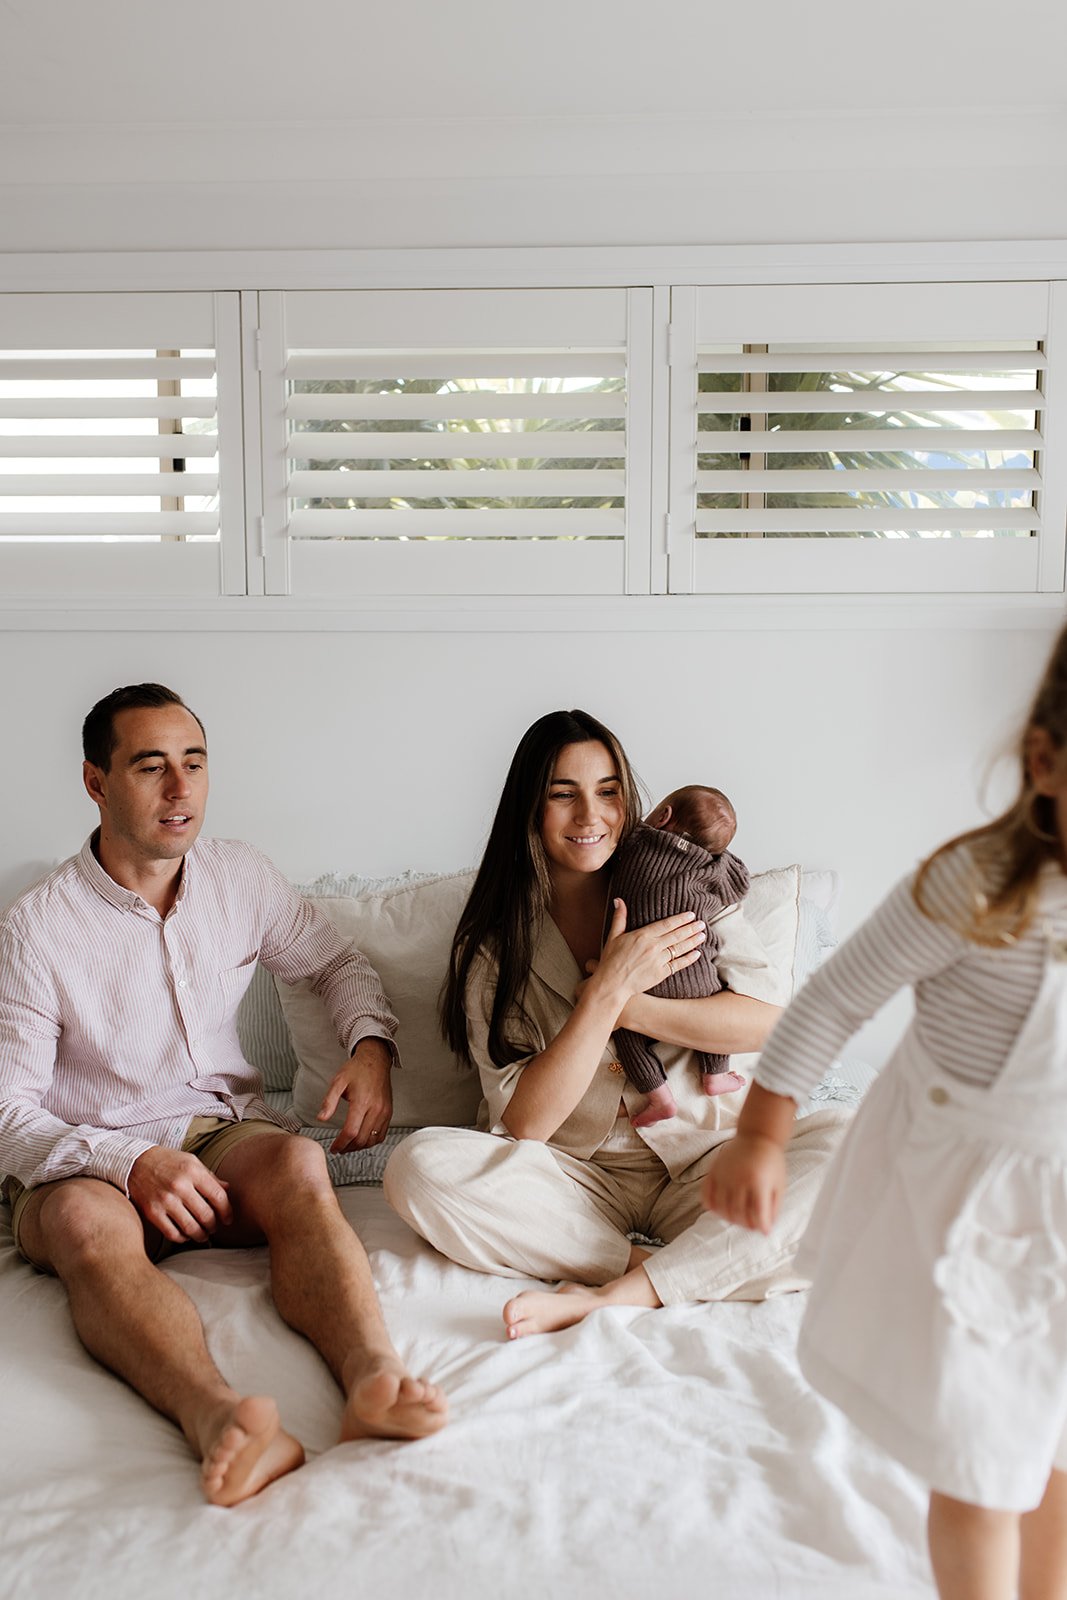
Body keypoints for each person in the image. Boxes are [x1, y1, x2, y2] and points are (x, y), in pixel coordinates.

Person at [0, 683, 446, 1509]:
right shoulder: (36, 927)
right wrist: (128, 1164)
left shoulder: (239, 876)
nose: (180, 790)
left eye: (194, 764)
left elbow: (334, 964)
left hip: (217, 1134)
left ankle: (373, 1380)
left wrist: (372, 1047)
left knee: (298, 1166)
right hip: (85, 1159)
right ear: (97, 783)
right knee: (78, 1222)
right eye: (151, 767)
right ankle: (224, 1422)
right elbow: (9, 1114)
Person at [703, 628, 1067, 1600]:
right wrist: (760, 1133)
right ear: (1043, 763)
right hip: (969, 1217)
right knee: (983, 1462)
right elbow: (828, 1001)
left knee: (1058, 1446)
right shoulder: (972, 887)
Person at [383, 708, 848, 1339]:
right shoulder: (496, 948)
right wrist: (603, 994)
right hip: (578, 1179)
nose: (590, 817)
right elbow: (525, 1123)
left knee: (854, 1143)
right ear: (530, 809)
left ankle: (623, 1296)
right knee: (418, 1168)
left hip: (708, 1157)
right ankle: (660, 1268)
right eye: (562, 795)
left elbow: (768, 1023)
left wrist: (636, 1007)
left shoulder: (688, 884)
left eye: (607, 793)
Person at [610, 784, 751, 1126]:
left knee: (625, 1033)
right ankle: (715, 1075)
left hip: (638, 977)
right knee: (713, 1005)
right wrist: (717, 852)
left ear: (663, 816)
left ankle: (659, 1097)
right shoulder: (711, 867)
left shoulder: (631, 844)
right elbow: (740, 886)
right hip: (691, 969)